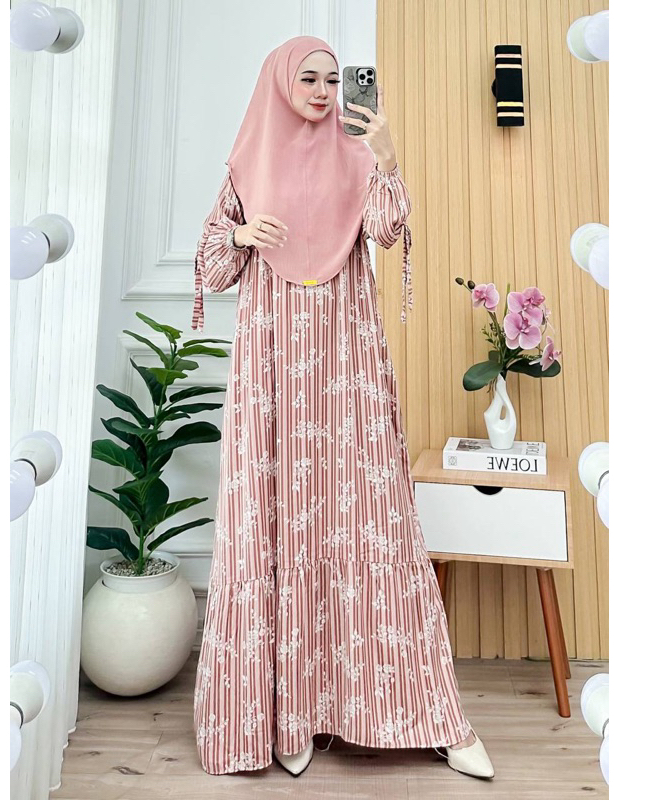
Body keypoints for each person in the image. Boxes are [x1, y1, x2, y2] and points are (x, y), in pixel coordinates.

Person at [191, 35, 494, 781]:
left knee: (370, 517)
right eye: (309, 78)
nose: (324, 91)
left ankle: (426, 713)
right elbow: (213, 266)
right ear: (281, 83)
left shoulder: (357, 156)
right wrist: (241, 233)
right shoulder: (248, 165)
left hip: (346, 366)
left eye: (333, 79)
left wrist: (385, 154)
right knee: (279, 519)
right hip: (271, 373)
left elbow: (388, 231)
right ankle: (288, 712)